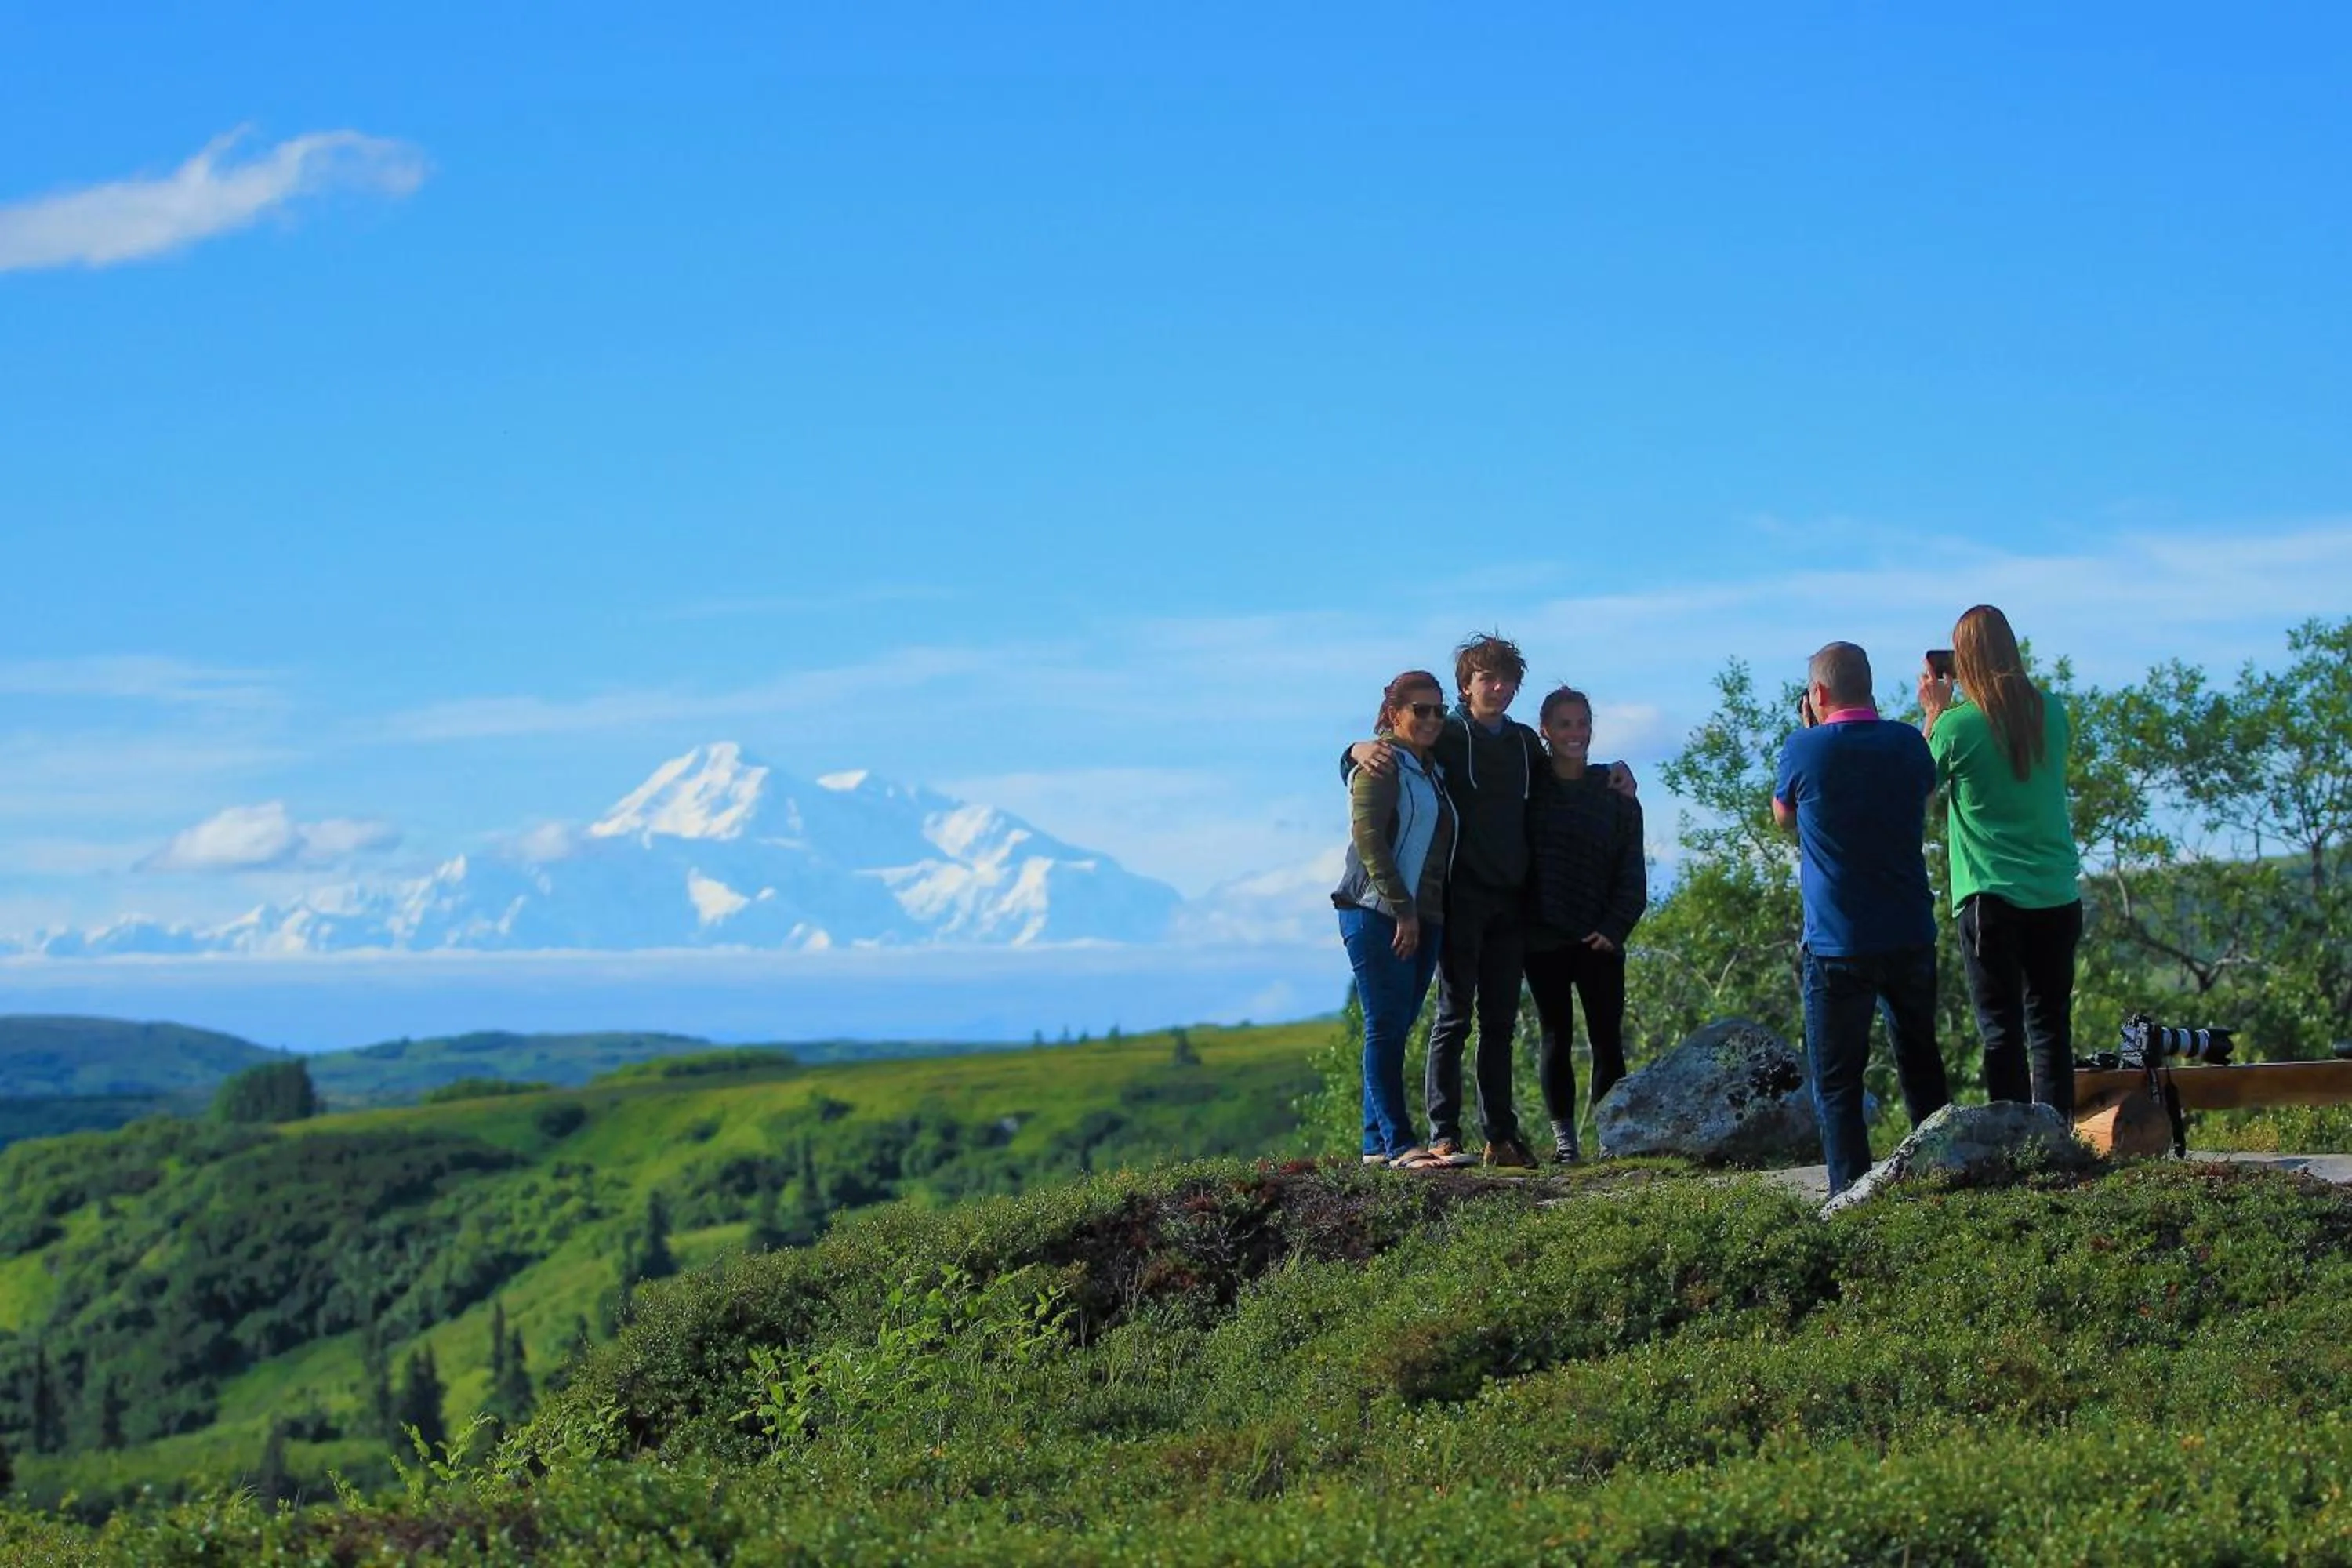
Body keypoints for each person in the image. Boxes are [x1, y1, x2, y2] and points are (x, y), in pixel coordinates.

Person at [1345, 635, 1639, 1170]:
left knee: (1500, 1021)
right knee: (1453, 1017)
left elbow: (1567, 767)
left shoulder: (1525, 743)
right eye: (1489, 679)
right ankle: (1443, 1134)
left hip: (1513, 900)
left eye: (1508, 681)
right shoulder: (1445, 735)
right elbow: (1385, 757)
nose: (1499, 689)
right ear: (1467, 684)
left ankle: (1500, 1135)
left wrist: (1615, 771)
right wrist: (1352, 752)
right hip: (1459, 897)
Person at [1773, 641, 1950, 1196]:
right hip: (1908, 931)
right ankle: (1941, 1175)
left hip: (1837, 943)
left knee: (1838, 1082)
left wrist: (1810, 730)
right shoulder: (1904, 743)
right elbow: (1923, 785)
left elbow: (1784, 818)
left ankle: (1849, 1195)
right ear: (1869, 687)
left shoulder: (1804, 749)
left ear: (1818, 694)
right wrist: (1931, 716)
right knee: (1921, 1064)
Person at [1918, 605, 2084, 1118]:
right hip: (2057, 891)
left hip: (1990, 897)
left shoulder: (1958, 727)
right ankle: (2057, 1136)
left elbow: (1911, 786)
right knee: (2051, 1027)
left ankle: (2014, 1144)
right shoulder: (2052, 712)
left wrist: (1933, 712)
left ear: (1962, 660)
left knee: (2001, 1031)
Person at [1330, 670, 1460, 1169]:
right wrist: (1402, 910)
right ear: (1394, 714)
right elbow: (1368, 837)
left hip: (1426, 915)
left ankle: (1374, 1146)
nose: (1430, 719)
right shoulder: (1381, 763)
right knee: (1385, 1026)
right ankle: (1401, 1144)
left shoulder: (1432, 768)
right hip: (1376, 912)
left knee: (1397, 1025)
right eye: (1419, 710)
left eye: (1437, 709)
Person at [1523, 686, 1647, 1163]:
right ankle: (1565, 1144)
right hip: (1543, 938)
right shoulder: (1530, 791)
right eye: (1565, 724)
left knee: (1607, 1038)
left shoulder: (1613, 793)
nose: (1576, 733)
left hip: (1601, 939)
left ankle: (1612, 1140)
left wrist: (1615, 927)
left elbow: (1631, 870)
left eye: (1582, 723)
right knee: (1555, 1035)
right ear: (1546, 731)